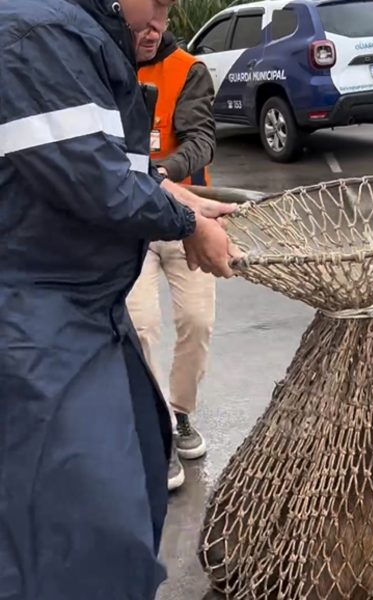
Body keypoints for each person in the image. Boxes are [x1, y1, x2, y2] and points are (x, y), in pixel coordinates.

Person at [0, 0, 236, 598]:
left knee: (132, 478)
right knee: (81, 529)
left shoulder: (85, 33)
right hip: (40, 318)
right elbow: (93, 181)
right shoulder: (39, 31)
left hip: (84, 311)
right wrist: (184, 224)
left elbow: (108, 163)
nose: (162, 11)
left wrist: (176, 198)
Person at [128, 23, 217, 491]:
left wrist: (162, 171)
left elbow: (201, 139)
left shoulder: (188, 70)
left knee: (197, 321)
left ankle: (180, 412)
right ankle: (157, 429)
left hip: (187, 216)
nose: (152, 26)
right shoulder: (105, 62)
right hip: (131, 222)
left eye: (163, 11)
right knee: (140, 328)